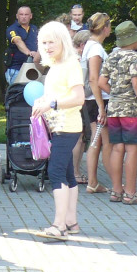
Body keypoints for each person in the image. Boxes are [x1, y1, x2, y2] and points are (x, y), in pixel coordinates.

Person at [30, 21, 85, 240]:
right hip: (58, 126)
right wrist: (42, 103)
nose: (48, 46)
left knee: (55, 172)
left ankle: (59, 225)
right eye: (43, 42)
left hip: (67, 127)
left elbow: (78, 97)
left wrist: (51, 104)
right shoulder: (56, 66)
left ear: (62, 41)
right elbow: (57, 95)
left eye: (52, 41)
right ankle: (71, 222)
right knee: (68, 174)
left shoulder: (70, 64)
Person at [97, 21, 137, 205]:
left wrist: (115, 93)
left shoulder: (111, 57)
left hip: (114, 109)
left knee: (117, 148)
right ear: (134, 40)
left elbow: (101, 82)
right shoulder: (135, 57)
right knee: (132, 150)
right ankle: (130, 193)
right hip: (132, 111)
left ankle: (116, 191)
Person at [83, 13, 113, 194]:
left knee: (97, 138)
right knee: (103, 141)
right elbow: (94, 79)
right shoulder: (95, 49)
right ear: (105, 28)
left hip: (93, 99)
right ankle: (114, 182)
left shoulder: (90, 46)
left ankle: (93, 182)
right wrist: (102, 107)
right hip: (97, 99)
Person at [71, 29, 92, 184]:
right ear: (83, 44)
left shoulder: (69, 56)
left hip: (71, 101)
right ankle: (75, 172)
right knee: (78, 138)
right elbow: (84, 84)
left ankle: (74, 171)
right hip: (78, 101)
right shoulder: (81, 59)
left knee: (79, 138)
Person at [5, 6, 41, 85]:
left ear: (31, 16)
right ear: (17, 16)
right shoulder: (12, 29)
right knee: (17, 96)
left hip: (33, 69)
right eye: (21, 14)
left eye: (26, 14)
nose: (24, 17)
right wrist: (29, 53)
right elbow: (17, 41)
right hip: (17, 70)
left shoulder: (34, 28)